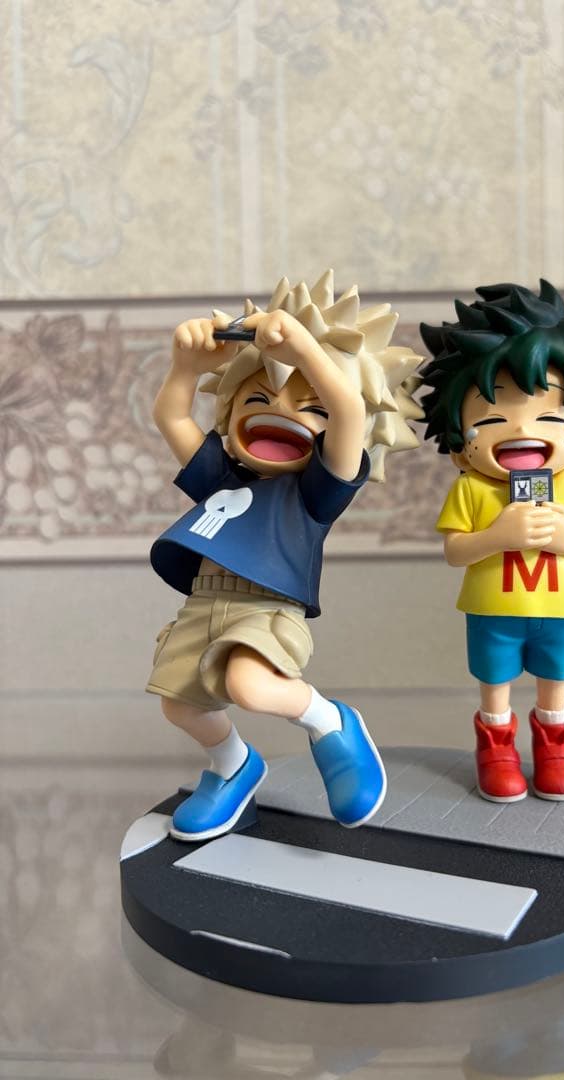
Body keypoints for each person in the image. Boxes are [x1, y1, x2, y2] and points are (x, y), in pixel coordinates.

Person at [147, 270, 422, 840]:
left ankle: (330, 723)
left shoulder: (314, 492)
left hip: (266, 607)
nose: (279, 412)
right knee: (179, 705)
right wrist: (184, 366)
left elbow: (349, 412)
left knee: (250, 685)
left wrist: (304, 351)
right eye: (259, 397)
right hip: (203, 606)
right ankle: (233, 766)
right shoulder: (221, 476)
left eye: (309, 405)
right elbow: (172, 418)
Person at [419, 279, 564, 803]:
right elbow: (455, 551)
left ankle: (555, 746)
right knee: (495, 681)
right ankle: (496, 747)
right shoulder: (471, 488)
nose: (520, 430)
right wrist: (498, 535)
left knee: (555, 680)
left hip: (562, 609)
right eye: (492, 419)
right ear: (460, 447)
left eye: (551, 418)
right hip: (493, 610)